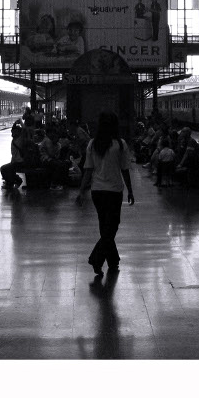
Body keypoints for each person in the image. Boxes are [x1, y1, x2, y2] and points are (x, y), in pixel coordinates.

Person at [75, 112, 134, 276]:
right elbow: (125, 170)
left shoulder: (93, 144)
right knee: (112, 227)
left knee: (105, 228)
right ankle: (96, 258)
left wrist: (81, 190)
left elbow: (88, 169)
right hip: (114, 191)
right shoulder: (120, 145)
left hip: (97, 192)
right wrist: (130, 190)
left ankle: (113, 261)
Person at [0, 123, 30, 188]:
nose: (12, 133)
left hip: (20, 162)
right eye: (12, 132)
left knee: (3, 169)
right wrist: (14, 124)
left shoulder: (20, 139)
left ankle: (11, 183)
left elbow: (24, 129)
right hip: (15, 162)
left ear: (18, 132)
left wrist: (20, 121)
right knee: (8, 168)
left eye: (14, 132)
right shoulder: (14, 140)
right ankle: (15, 181)